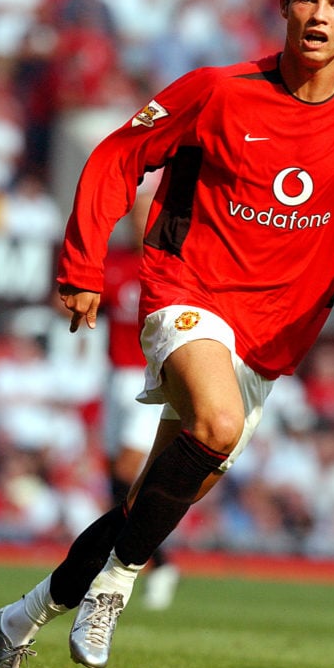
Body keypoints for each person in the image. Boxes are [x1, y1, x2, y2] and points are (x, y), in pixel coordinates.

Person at [0, 0, 334, 668]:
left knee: (147, 502)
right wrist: (83, 268)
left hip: (272, 339)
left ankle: (18, 622)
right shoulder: (217, 90)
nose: (319, 14)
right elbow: (116, 157)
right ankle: (115, 590)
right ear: (284, 6)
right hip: (187, 291)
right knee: (213, 427)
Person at [102, 185, 180, 610]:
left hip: (145, 378)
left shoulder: (168, 264)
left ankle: (140, 560)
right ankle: (154, 559)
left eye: (146, 216)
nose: (138, 223)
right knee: (114, 477)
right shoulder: (114, 262)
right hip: (113, 375)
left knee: (130, 468)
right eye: (134, 216)